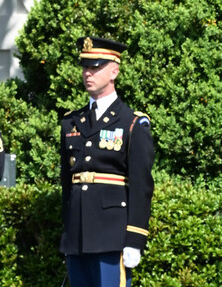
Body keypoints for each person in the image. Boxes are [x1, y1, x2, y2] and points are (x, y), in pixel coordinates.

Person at [60, 37, 154, 287]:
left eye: (95, 66)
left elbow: (141, 186)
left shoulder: (132, 123)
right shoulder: (71, 122)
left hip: (112, 236)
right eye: (85, 66)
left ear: (114, 71)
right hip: (77, 237)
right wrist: (68, 233)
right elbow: (67, 185)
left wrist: (135, 239)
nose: (87, 73)